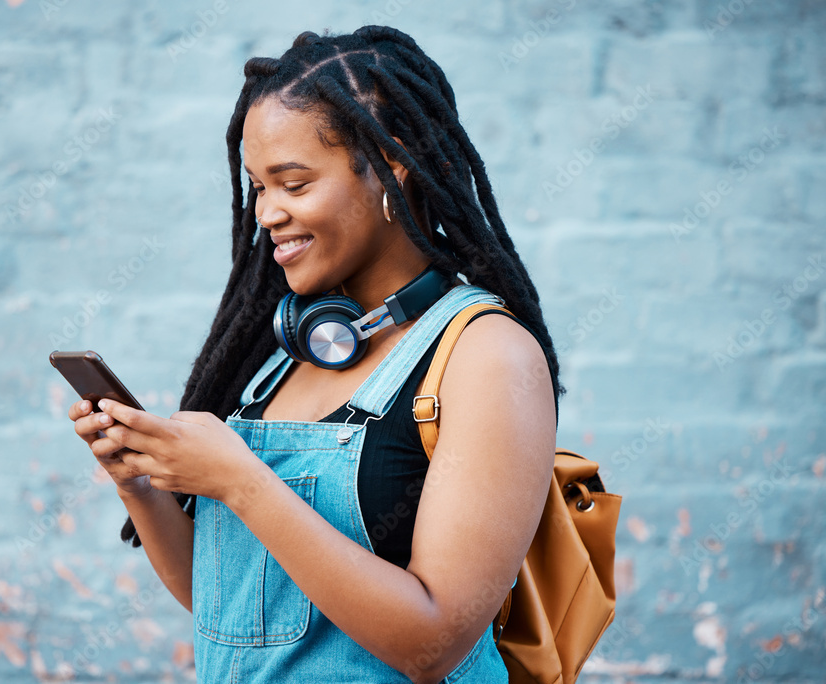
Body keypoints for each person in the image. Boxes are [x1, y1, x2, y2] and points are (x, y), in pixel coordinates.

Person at [67, 26, 560, 684]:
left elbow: (432, 642)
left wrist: (239, 482)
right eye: (257, 187)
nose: (267, 212)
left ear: (394, 162)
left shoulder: (488, 358)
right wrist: (140, 485)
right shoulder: (286, 355)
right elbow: (235, 606)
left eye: (293, 184)